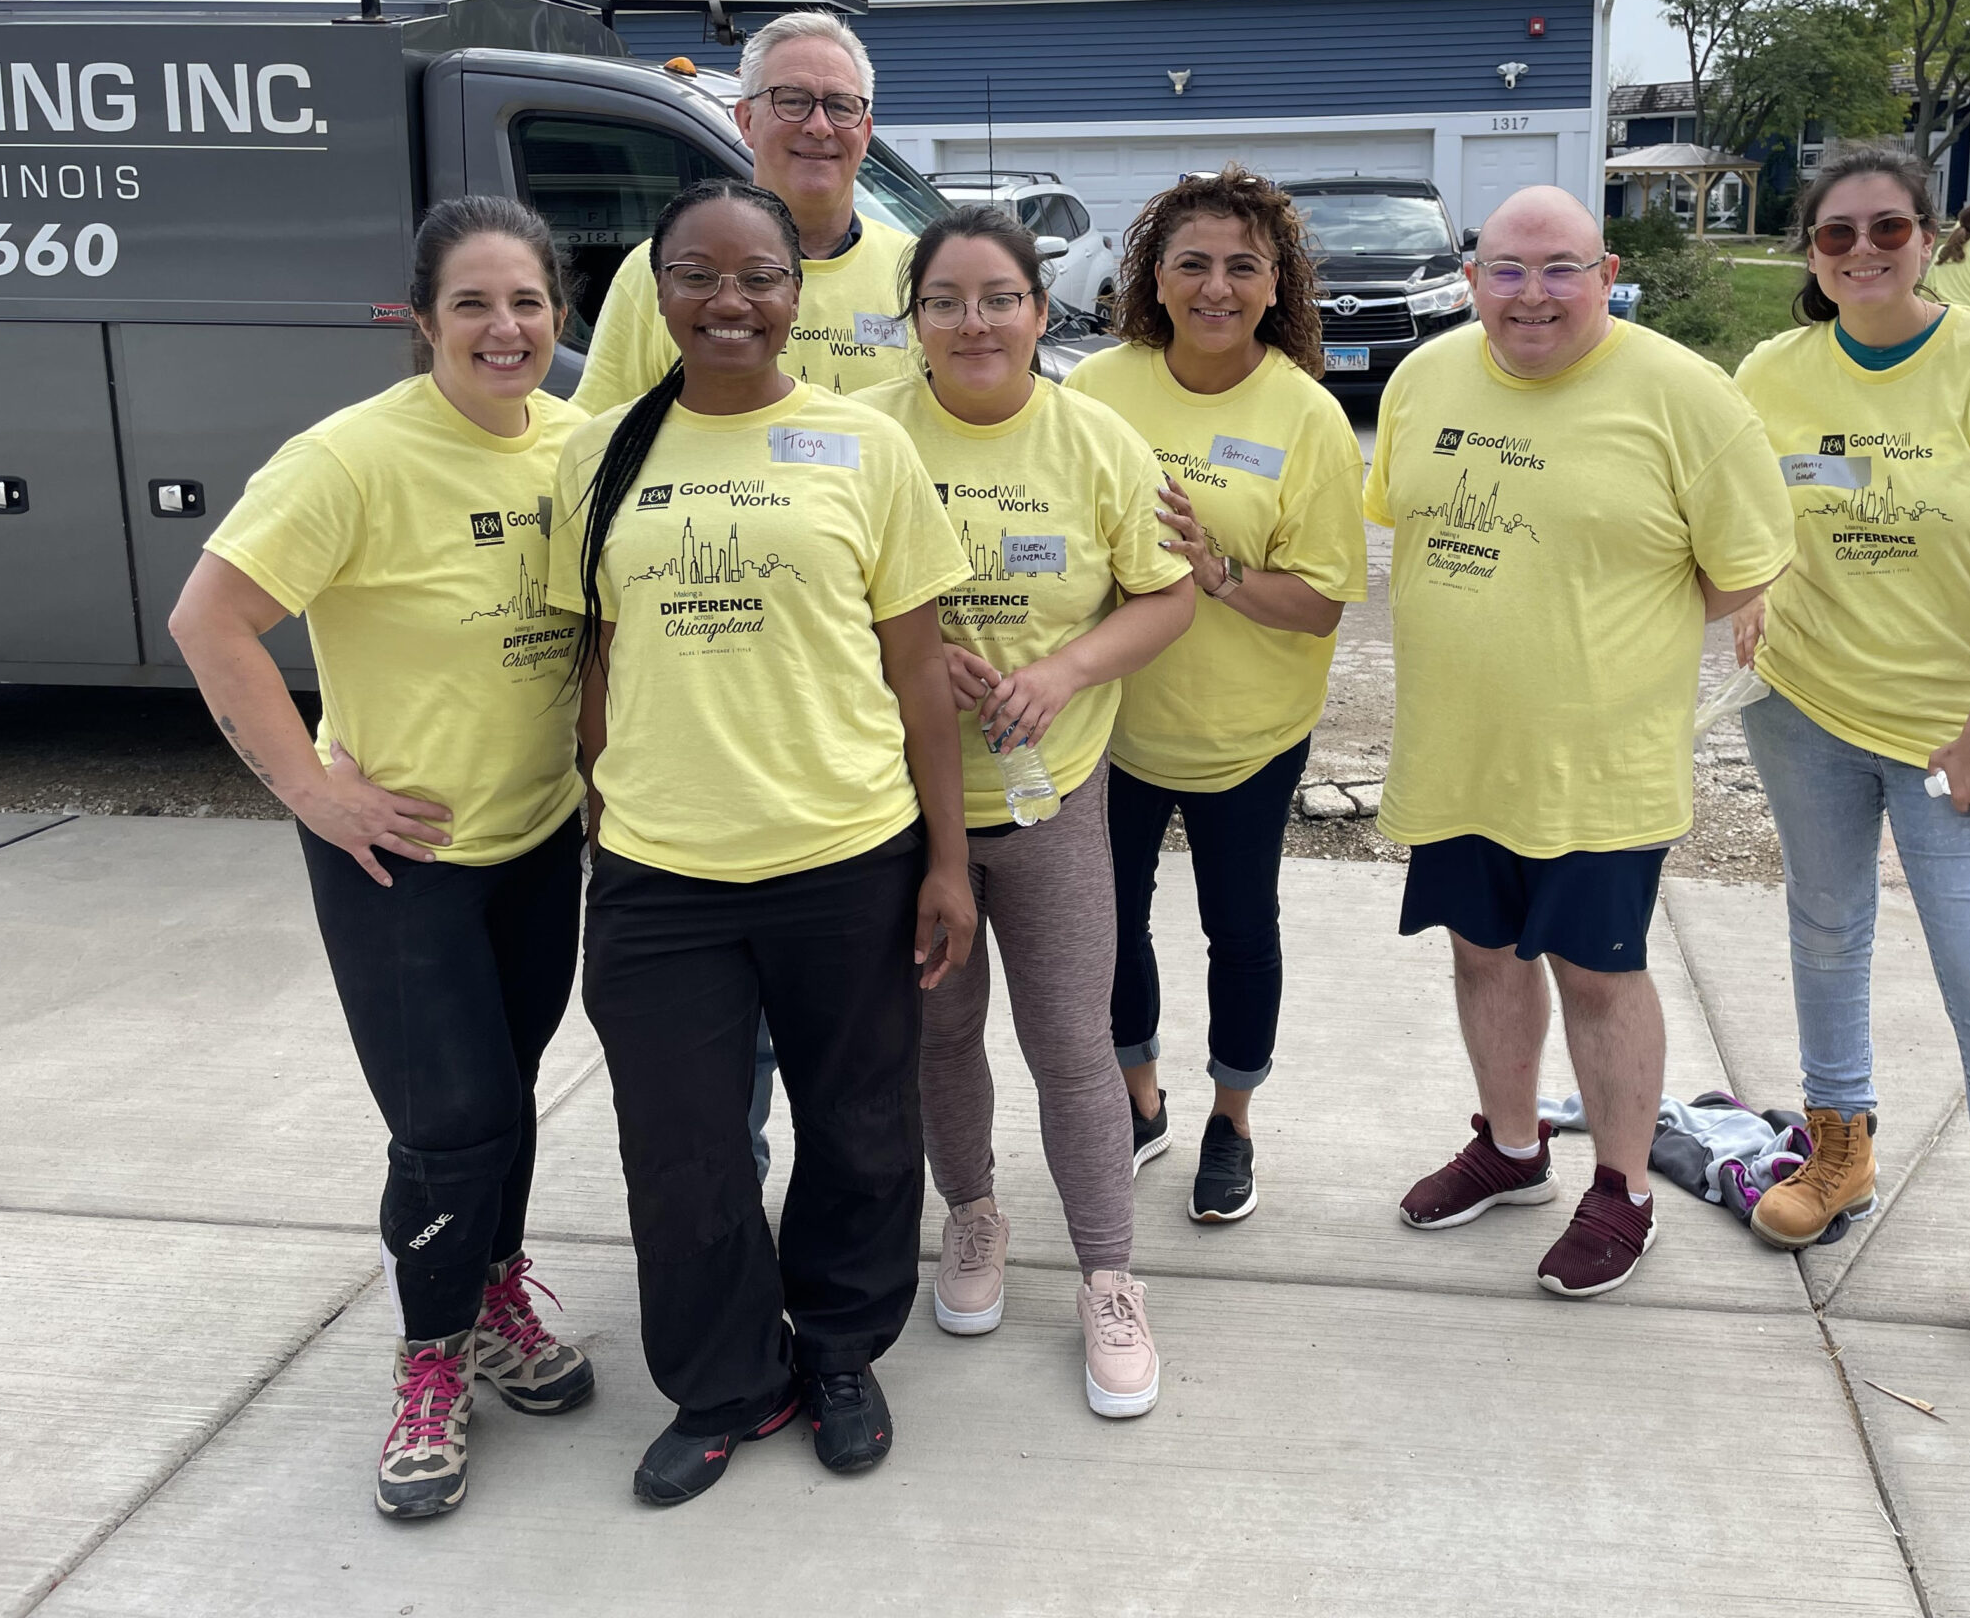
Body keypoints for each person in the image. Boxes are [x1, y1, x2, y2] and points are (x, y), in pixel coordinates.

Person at [549, 178, 973, 1506]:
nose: (730, 301)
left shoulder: (865, 448)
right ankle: (727, 1380)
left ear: (798, 294)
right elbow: (596, 655)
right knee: (683, 1150)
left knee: (857, 1128)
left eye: (759, 278)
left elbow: (919, 673)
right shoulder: (599, 451)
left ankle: (842, 1352)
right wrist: (602, 813)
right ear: (657, 289)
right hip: (662, 873)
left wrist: (949, 863)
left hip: (847, 852)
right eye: (698, 275)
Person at [170, 197, 595, 1521]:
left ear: (558, 316)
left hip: (535, 834)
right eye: (471, 303)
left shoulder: (581, 447)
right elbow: (211, 619)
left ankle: (493, 1289)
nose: (503, 326)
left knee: (506, 1090)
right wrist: (313, 789)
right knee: (449, 1116)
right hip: (399, 855)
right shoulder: (349, 459)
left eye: (524, 301)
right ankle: (431, 1354)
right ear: (421, 324)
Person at [1730, 140, 1970, 1405]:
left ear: (1931, 237)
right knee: (1826, 929)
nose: (1861, 253)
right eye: (1835, 236)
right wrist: (1752, 590)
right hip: (1802, 709)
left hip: (1956, 734)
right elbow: (1745, 513)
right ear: (1808, 252)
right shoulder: (1771, 372)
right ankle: (1834, 1151)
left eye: (1885, 230)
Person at [1375, 185, 1795, 1299]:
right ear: (1469, 281)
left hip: (1598, 765)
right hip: (1456, 750)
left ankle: (1624, 1191)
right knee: (1480, 952)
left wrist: (1605, 636)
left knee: (1599, 975)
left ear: (1607, 277)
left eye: (1561, 268)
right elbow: (1405, 520)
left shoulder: (1683, 397)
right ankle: (1512, 1149)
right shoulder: (1424, 380)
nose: (1531, 295)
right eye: (1505, 269)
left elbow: (1738, 571)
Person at [856, 204, 1194, 1416]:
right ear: (914, 322)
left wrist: (1062, 672)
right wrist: (901, 653)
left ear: (1041, 313)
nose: (972, 321)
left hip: (1051, 801)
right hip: (900, 808)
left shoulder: (1098, 442)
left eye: (998, 297)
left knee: (1068, 1044)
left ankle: (1109, 1275)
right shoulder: (864, 436)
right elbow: (825, 593)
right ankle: (974, 1215)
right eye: (942, 300)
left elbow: (1164, 600)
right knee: (940, 1037)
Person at [1066, 166, 1368, 1223]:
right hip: (1113, 720)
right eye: (1191, 262)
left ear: (1276, 280)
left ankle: (1230, 1120)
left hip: (1248, 733)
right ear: (1153, 274)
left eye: (1242, 265)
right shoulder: (1097, 390)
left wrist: (1220, 575)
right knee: (1111, 926)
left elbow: (1324, 604)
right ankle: (1140, 1100)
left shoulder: (1306, 416)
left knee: (1240, 930)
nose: (1215, 286)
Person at [573, 10, 920, 410]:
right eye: (793, 101)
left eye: (841, 106)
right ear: (747, 120)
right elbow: (598, 436)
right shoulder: (658, 272)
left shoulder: (917, 275)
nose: (820, 126)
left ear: (865, 131)